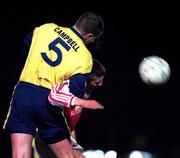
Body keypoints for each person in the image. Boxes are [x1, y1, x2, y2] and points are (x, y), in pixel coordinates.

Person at [3, 11, 104, 158]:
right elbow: (73, 91)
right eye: (93, 39)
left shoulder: (46, 28)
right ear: (89, 36)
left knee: (20, 154)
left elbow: (26, 47)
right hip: (47, 100)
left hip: (23, 92)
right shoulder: (85, 57)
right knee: (70, 156)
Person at [33, 59, 106, 158]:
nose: (101, 84)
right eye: (97, 81)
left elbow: (70, 127)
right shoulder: (66, 92)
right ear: (85, 79)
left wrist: (73, 144)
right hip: (49, 136)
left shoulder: (80, 95)